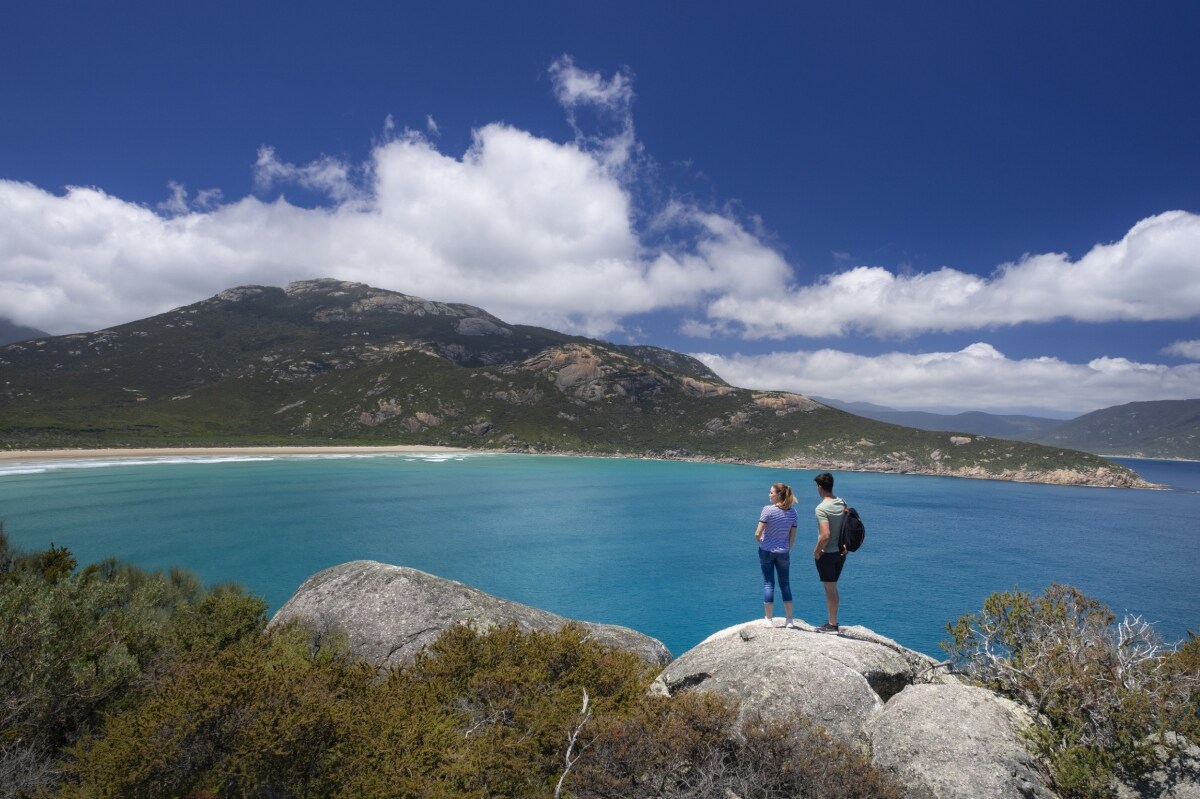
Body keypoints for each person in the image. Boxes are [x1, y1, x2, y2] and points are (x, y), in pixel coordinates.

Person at [754, 482, 798, 628]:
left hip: (766, 551)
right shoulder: (793, 513)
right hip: (784, 552)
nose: (769, 494)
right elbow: (792, 538)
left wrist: (760, 540)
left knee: (768, 583)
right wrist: (786, 548)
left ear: (779, 494)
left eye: (771, 492)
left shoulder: (767, 510)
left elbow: (757, 533)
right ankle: (790, 620)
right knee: (785, 584)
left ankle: (768, 619)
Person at [812, 472, 847, 633]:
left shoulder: (821, 508)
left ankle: (832, 624)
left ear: (820, 487)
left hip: (828, 553)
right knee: (833, 587)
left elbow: (825, 535)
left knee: (829, 588)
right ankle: (833, 620)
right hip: (841, 552)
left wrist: (817, 551)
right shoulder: (841, 502)